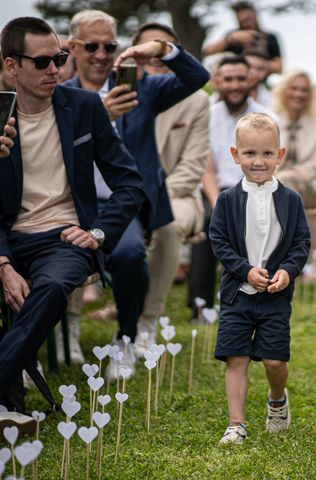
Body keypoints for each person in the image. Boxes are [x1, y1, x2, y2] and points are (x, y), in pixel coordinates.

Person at [0, 17, 144, 415]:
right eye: (42, 61)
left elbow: (131, 183)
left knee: (51, 287)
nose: (55, 69)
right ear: (12, 65)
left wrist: (98, 231)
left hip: (63, 236)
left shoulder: (84, 107)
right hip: (7, 237)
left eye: (59, 58)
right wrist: (3, 263)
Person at [64, 9, 209, 377]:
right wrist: (99, 113)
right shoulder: (61, 94)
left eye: (109, 46)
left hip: (121, 202)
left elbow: (198, 76)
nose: (101, 54)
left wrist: (159, 49)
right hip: (71, 201)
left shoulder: (140, 87)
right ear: (73, 48)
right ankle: (67, 329)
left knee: (129, 254)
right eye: (91, 46)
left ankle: (126, 337)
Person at [210, 112, 310, 444]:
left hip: (275, 296)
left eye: (267, 153)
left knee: (274, 360)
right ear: (236, 155)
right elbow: (219, 242)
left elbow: (300, 242)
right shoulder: (227, 200)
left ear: (279, 156)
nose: (258, 161)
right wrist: (245, 270)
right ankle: (236, 423)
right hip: (238, 294)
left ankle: (277, 400)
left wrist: (287, 271)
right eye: (250, 153)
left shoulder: (291, 199)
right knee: (236, 357)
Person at [129, 22, 209, 355]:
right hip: (125, 194)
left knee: (168, 224)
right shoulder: (119, 93)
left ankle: (147, 322)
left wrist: (152, 201)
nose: (154, 55)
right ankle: (72, 324)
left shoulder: (196, 100)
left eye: (162, 49)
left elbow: (192, 168)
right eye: (147, 48)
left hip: (178, 194)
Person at [188, 55, 273, 319]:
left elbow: (270, 165)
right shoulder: (205, 116)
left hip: (256, 188)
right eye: (228, 79)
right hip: (212, 190)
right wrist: (217, 202)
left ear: (251, 79)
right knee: (208, 222)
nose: (235, 85)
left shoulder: (267, 117)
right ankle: (200, 305)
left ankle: (250, 300)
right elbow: (207, 168)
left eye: (241, 78)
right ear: (217, 81)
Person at [271, 69, 316, 275]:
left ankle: (294, 262)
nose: (299, 94)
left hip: (309, 182)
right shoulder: (270, 119)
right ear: (284, 91)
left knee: (285, 187)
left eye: (304, 90)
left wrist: (291, 175)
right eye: (294, 88)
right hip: (274, 180)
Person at [202, 1, 282, 76]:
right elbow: (207, 51)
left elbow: (279, 67)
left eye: (249, 19)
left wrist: (257, 63)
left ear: (255, 16)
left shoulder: (269, 37)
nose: (247, 23)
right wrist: (230, 39)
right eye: (243, 21)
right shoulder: (233, 37)